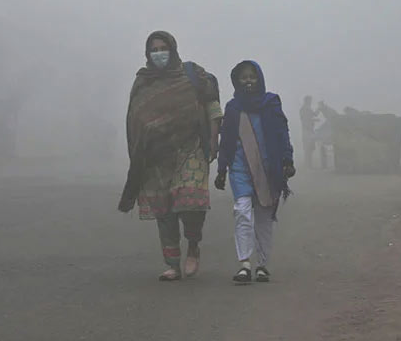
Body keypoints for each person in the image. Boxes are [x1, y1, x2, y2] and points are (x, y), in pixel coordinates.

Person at [118, 31, 222, 281]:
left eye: (163, 48)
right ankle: (173, 264)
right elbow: (135, 118)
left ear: (173, 49)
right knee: (164, 211)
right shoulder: (143, 82)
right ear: (147, 53)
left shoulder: (193, 74)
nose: (159, 53)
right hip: (156, 156)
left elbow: (213, 105)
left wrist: (214, 139)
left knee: (191, 203)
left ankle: (193, 245)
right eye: (153, 49)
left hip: (191, 148)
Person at [214, 61, 295, 283]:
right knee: (242, 211)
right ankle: (244, 264)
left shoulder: (271, 103)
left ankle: (262, 264)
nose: (248, 80)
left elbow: (282, 133)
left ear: (259, 78)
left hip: (268, 169)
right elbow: (226, 141)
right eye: (243, 77)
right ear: (236, 81)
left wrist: (288, 159)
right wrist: (221, 169)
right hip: (239, 168)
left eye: (252, 76)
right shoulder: (232, 108)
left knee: (264, 217)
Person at [299, 96, 318, 168]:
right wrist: (313, 121)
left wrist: (320, 108)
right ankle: (308, 165)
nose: (311, 102)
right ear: (307, 101)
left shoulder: (306, 109)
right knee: (308, 148)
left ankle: (309, 164)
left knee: (309, 148)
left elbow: (313, 115)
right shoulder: (304, 109)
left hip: (308, 130)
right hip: (307, 131)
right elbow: (305, 120)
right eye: (310, 101)